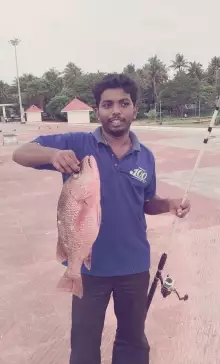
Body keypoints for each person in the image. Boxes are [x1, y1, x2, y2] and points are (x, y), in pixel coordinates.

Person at [12, 73, 191, 364]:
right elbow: (22, 153)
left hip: (134, 266)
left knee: (133, 342)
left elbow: (146, 202)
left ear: (135, 109)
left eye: (124, 103)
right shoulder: (78, 144)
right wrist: (53, 154)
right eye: (108, 104)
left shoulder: (145, 156)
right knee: (84, 343)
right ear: (98, 111)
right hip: (87, 268)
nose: (116, 110)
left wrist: (169, 204)